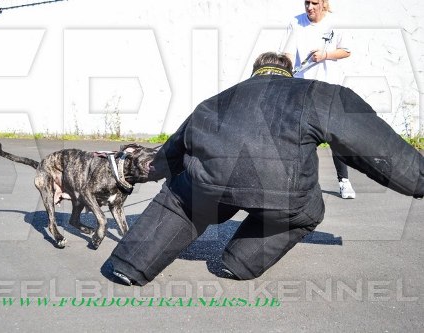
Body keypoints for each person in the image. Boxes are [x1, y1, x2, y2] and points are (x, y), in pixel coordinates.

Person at [108, 52, 424, 286]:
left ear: (255, 72)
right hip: (281, 193)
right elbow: (372, 146)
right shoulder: (315, 92)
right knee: (307, 211)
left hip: (209, 187)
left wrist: (132, 172)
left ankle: (130, 262)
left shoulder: (213, 100)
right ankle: (240, 262)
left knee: (180, 197)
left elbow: (170, 155)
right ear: (289, 74)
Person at [282, 0, 356, 199]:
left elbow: (346, 51)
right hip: (301, 90)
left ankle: (344, 182)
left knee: (335, 137)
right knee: (302, 138)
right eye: (306, 3)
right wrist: (286, 70)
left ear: (324, 3)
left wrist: (325, 55)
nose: (309, 7)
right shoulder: (296, 22)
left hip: (328, 90)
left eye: (314, 3)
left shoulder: (335, 23)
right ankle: (300, 185)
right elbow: (288, 53)